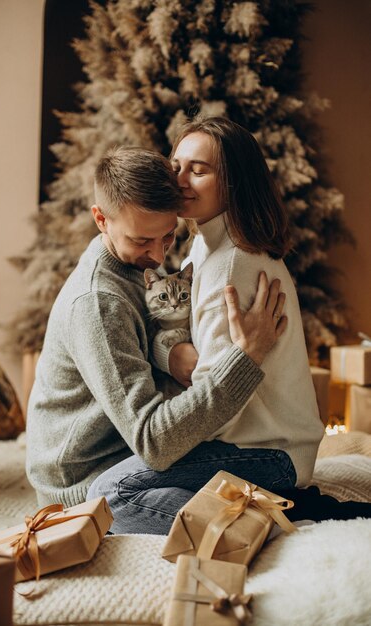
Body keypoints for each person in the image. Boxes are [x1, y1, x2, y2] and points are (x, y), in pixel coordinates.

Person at [90, 118, 371, 531]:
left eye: (199, 170)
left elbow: (212, 408)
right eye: (177, 164)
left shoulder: (232, 266)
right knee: (128, 475)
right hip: (252, 444)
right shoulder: (205, 243)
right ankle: (251, 506)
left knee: (112, 492)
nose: (180, 179)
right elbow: (182, 346)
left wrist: (182, 373)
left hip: (269, 453)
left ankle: (270, 519)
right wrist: (173, 355)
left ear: (234, 182)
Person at [25, 145, 287, 510]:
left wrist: (167, 351)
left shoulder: (132, 265)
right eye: (141, 240)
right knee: (169, 497)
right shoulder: (99, 303)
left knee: (216, 494)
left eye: (168, 236)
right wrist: (247, 356)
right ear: (101, 219)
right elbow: (155, 442)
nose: (159, 255)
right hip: (84, 486)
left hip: (125, 457)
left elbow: (141, 341)